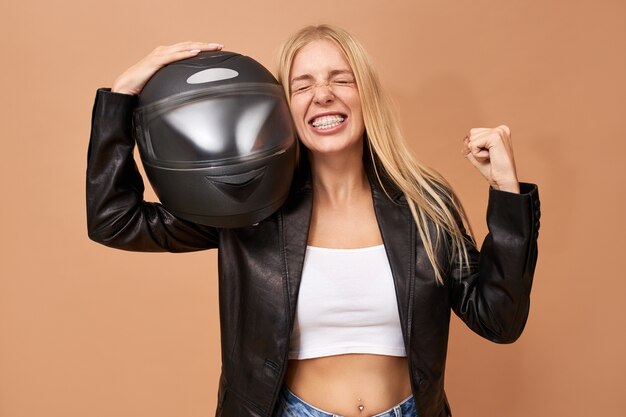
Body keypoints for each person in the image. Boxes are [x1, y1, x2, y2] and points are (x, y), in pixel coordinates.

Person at [86, 24, 539, 417]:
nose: (323, 94)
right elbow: (115, 219)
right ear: (282, 107)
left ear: (367, 95)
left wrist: (505, 190)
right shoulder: (250, 209)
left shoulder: (426, 203)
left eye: (341, 79)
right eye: (302, 85)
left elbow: (499, 320)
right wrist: (121, 97)